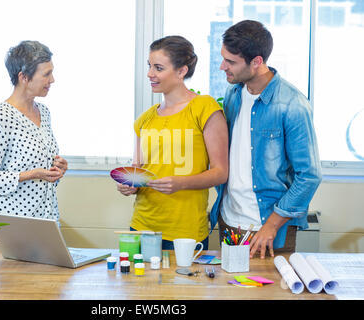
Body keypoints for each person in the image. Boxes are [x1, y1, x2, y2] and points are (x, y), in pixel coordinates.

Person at [210, 20, 322, 259]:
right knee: (229, 294)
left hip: (269, 227)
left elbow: (309, 175)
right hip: (230, 220)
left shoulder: (292, 105)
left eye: (230, 62)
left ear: (257, 61)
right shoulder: (234, 93)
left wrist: (271, 225)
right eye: (223, 58)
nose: (222, 67)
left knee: (270, 294)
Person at [117, 35, 229, 250]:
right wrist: (128, 184)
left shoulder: (205, 108)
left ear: (181, 71)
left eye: (158, 68)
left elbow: (220, 172)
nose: (150, 73)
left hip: (185, 232)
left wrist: (181, 183)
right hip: (142, 226)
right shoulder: (145, 119)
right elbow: (138, 169)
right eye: (149, 66)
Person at [0, 40, 67, 221]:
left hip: (45, 220)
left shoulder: (44, 112)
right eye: (46, 74)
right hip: (12, 224)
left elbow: (41, 175)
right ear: (23, 77)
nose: (52, 80)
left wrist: (57, 170)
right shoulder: (0, 118)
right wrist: (31, 174)